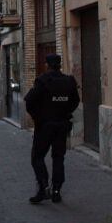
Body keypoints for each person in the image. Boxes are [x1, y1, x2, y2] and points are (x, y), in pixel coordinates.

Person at [24, 53, 80, 204]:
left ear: (47, 65)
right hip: (62, 125)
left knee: (37, 157)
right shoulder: (69, 81)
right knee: (58, 158)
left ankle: (43, 188)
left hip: (45, 126)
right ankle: (56, 191)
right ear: (60, 65)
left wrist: (37, 117)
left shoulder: (43, 81)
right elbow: (75, 101)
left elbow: (29, 100)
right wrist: (65, 112)